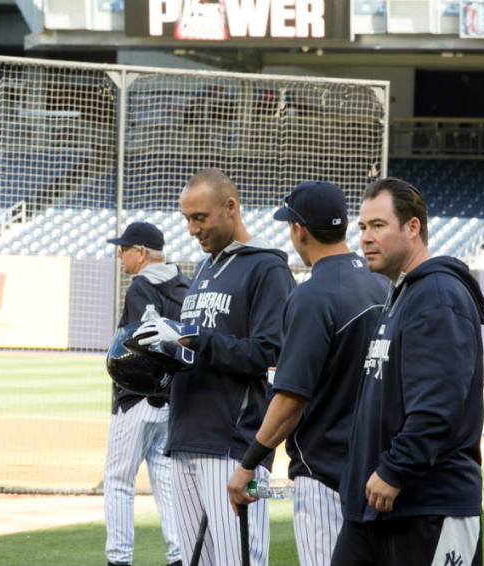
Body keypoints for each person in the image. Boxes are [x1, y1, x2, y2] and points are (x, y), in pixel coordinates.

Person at [133, 168, 296, 566]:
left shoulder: (267, 267)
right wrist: (159, 362)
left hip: (231, 443)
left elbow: (269, 352)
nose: (191, 229)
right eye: (187, 218)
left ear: (230, 207)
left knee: (237, 560)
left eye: (199, 218)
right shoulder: (205, 268)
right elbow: (199, 352)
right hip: (185, 433)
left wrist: (190, 337)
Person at [226, 181, 390, 566]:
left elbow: (291, 399)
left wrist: (248, 463)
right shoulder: (383, 283)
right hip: (379, 469)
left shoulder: (312, 294)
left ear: (299, 230)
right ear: (347, 225)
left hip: (324, 474)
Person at [332, 177, 484, 566]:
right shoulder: (402, 295)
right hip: (377, 507)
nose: (365, 237)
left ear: (412, 227)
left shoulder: (437, 295)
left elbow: (438, 404)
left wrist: (396, 468)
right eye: (362, 227)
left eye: (378, 226)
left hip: (425, 505)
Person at [103, 221, 188, 566]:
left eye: (123, 249)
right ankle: (180, 557)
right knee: (167, 484)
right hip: (172, 402)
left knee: (119, 481)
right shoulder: (186, 284)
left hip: (137, 400)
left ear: (140, 253)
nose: (119, 255)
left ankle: (118, 560)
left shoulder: (140, 286)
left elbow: (144, 346)